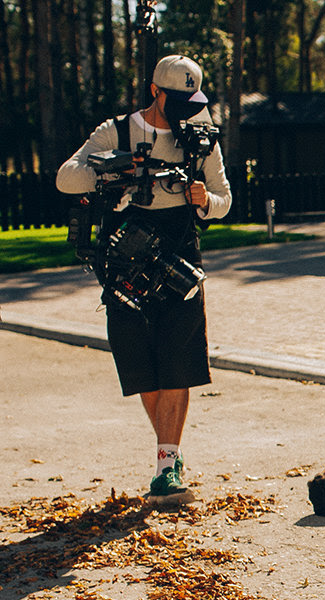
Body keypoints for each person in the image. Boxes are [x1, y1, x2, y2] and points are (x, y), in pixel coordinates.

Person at [56, 55, 232, 500]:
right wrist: (115, 171)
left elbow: (225, 198)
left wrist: (203, 199)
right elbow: (65, 178)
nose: (186, 110)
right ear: (155, 92)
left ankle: (166, 464)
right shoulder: (116, 131)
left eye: (192, 101)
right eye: (177, 101)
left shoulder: (202, 137)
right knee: (140, 360)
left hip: (180, 251)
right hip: (126, 253)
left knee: (178, 357)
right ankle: (169, 449)